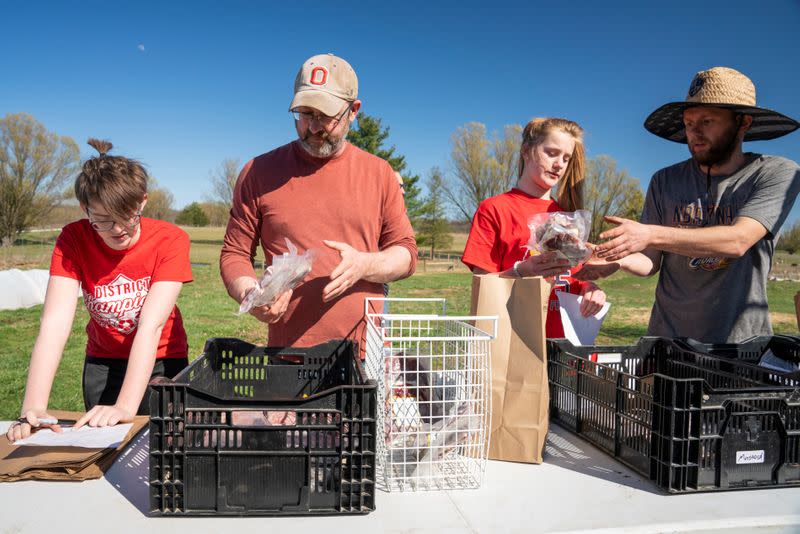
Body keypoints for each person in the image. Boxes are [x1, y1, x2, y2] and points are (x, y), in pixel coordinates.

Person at [581, 66, 800, 343]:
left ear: (742, 122)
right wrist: (615, 257)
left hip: (740, 348)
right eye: (688, 123)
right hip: (667, 343)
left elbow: (738, 240)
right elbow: (651, 260)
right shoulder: (665, 180)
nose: (693, 133)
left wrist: (649, 233)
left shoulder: (776, 173)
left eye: (707, 121)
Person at [220, 53, 416, 350]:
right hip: (286, 357)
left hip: (363, 355)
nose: (312, 127)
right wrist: (252, 294)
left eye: (325, 116)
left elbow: (406, 254)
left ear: (353, 111)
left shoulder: (380, 174)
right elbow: (234, 253)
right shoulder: (258, 172)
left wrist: (365, 264)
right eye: (305, 114)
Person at [6, 139, 193, 442]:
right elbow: (54, 324)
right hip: (103, 362)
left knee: (165, 446)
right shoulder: (73, 239)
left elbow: (152, 324)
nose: (118, 230)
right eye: (103, 221)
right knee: (105, 445)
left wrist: (124, 405)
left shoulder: (170, 240)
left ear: (142, 202)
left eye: (127, 217)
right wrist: (33, 408)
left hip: (162, 360)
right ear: (85, 209)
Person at [461, 118, 606, 338]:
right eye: (551, 153)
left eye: (566, 158)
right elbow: (483, 288)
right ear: (526, 151)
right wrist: (522, 271)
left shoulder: (569, 215)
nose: (559, 164)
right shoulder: (494, 208)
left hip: (568, 342)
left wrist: (590, 288)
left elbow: (575, 277)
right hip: (514, 341)